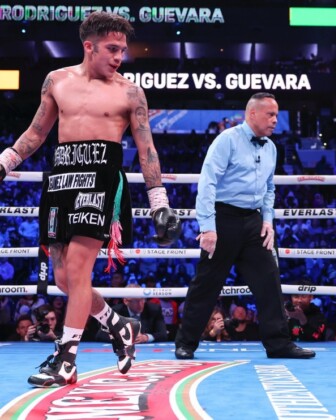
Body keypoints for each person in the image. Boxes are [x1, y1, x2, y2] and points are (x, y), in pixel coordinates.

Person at [0, 11, 181, 387]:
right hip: (61, 178)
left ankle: (66, 360)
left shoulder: (130, 92)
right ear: (89, 46)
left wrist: (159, 202)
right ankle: (119, 325)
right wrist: (5, 161)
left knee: (80, 271)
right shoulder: (57, 81)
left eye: (123, 50)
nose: (119, 57)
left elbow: (147, 150)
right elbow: (37, 132)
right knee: (66, 278)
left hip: (100, 179)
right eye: (112, 49)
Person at [175, 92, 315, 360]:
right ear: (252, 114)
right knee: (207, 284)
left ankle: (279, 344)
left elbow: (269, 189)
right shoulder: (226, 140)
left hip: (254, 223)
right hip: (223, 219)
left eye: (276, 114)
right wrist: (207, 227)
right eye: (270, 114)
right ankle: (186, 343)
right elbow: (207, 183)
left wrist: (267, 220)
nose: (276, 120)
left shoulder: (271, 147)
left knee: (269, 281)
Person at [96, 284, 168, 344]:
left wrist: (146, 337)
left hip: (148, 351)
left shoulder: (154, 309)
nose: (140, 304)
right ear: (126, 301)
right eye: (136, 301)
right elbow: (101, 334)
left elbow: (163, 334)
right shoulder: (116, 311)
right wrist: (122, 337)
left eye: (142, 300)